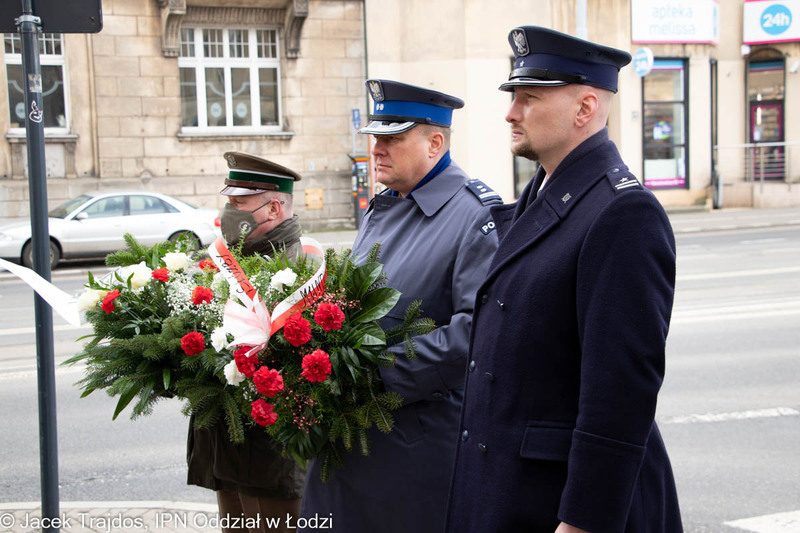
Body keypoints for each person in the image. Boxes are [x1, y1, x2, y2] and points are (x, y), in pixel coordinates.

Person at [445, 26, 683, 533]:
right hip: (509, 486)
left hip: (560, 504)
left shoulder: (622, 212)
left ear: (584, 109)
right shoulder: (542, 195)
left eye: (530, 97)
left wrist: (583, 522)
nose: (511, 112)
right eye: (514, 96)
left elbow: (620, 392)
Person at [298, 79, 501, 533]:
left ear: (435, 142)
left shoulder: (475, 215)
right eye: (376, 137)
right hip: (353, 439)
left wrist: (371, 373)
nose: (377, 149)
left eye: (393, 137)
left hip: (413, 448)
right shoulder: (384, 205)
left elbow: (477, 333)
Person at [187, 151, 306, 533]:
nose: (228, 213)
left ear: (273, 208)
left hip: (271, 456)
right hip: (227, 448)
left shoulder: (296, 271)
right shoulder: (229, 260)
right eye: (228, 201)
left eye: (239, 203)